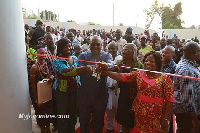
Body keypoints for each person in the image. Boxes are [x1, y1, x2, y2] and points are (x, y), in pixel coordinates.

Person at [100, 51, 174, 133]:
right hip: (140, 112)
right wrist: (105, 72)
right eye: (146, 61)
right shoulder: (138, 74)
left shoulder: (165, 78)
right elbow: (121, 77)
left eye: (152, 61)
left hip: (157, 114)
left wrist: (165, 118)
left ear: (158, 63)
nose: (148, 63)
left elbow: (170, 99)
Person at [52, 38, 91, 133]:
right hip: (62, 91)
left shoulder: (74, 57)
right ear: (60, 48)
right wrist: (85, 68)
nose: (69, 48)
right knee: (63, 115)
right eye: (66, 47)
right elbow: (67, 72)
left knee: (73, 115)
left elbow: (78, 72)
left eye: (69, 46)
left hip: (74, 90)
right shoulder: (57, 61)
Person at [78, 35, 114, 133]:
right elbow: (78, 68)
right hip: (85, 95)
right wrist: (86, 68)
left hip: (100, 95)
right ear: (89, 45)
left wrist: (105, 65)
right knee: (84, 121)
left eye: (98, 45)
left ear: (102, 45)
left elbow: (112, 65)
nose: (95, 47)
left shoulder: (106, 56)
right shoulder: (83, 55)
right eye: (92, 44)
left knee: (98, 122)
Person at [113, 43, 143, 133]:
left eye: (127, 50)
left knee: (131, 118)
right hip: (123, 93)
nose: (124, 52)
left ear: (133, 52)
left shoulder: (138, 65)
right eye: (124, 49)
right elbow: (115, 73)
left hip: (134, 96)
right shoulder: (120, 63)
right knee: (123, 118)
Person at [173, 42, 200, 133]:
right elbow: (187, 100)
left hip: (187, 114)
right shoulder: (186, 70)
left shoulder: (189, 65)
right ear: (195, 52)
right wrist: (195, 119)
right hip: (187, 115)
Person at [30, 47, 54, 133]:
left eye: (44, 53)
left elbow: (52, 73)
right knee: (41, 113)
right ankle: (43, 129)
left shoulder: (47, 62)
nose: (43, 55)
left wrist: (51, 76)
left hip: (46, 94)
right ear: (36, 54)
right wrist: (36, 100)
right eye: (41, 54)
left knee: (48, 112)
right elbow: (32, 85)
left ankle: (48, 128)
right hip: (38, 94)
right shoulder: (34, 68)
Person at [106, 42, 122, 133]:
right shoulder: (106, 58)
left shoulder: (120, 59)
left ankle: (120, 129)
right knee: (109, 110)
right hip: (107, 89)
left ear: (117, 49)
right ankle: (110, 128)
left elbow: (122, 74)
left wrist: (116, 85)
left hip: (118, 90)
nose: (111, 50)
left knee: (119, 110)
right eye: (109, 48)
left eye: (113, 48)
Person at [161, 46, 176, 133]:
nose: (163, 54)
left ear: (173, 55)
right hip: (157, 99)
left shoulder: (175, 68)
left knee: (166, 125)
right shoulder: (159, 64)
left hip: (167, 101)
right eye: (163, 52)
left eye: (166, 53)